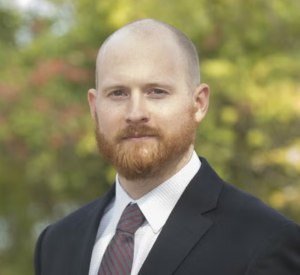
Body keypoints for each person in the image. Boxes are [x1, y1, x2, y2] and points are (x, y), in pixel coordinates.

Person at [34, 19, 300, 275]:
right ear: (94, 108)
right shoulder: (56, 243)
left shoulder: (265, 240)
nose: (135, 113)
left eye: (156, 91)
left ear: (198, 104)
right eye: (118, 93)